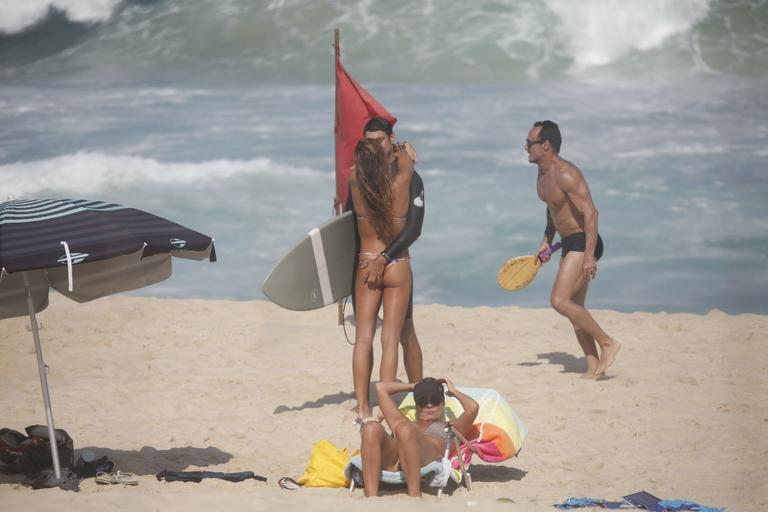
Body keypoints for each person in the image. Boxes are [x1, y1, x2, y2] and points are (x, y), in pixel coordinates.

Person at [526, 120, 622, 379]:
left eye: (530, 143)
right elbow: (553, 209)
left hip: (583, 240)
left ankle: (607, 342)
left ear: (546, 145)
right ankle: (593, 367)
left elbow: (591, 212)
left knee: (559, 300)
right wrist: (547, 240)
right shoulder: (542, 175)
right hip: (568, 242)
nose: (525, 148)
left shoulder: (566, 173)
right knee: (575, 309)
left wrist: (589, 255)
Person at [345, 117, 426, 418]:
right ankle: (387, 406)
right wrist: (406, 151)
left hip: (366, 263)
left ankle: (363, 409)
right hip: (396, 264)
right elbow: (407, 163)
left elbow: (347, 232)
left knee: (363, 338)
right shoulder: (404, 176)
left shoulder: (354, 180)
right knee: (390, 337)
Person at [358, 377, 478, 497]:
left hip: (427, 457)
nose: (429, 405)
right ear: (417, 405)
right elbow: (381, 388)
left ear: (442, 403)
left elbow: (473, 408)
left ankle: (414, 495)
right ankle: (371, 497)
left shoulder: (451, 425)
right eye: (423, 401)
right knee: (370, 427)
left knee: (404, 428)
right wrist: (414, 386)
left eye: (435, 400)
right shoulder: (405, 422)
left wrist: (454, 391)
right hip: (396, 459)